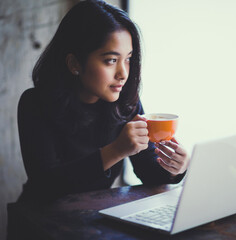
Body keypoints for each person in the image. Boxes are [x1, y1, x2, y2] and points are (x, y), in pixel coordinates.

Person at [17, 0, 189, 203]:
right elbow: (47, 185)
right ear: (74, 63)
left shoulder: (125, 103)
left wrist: (176, 169)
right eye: (111, 60)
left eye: (128, 59)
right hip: (39, 220)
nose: (123, 74)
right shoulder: (35, 104)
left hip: (93, 217)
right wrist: (115, 150)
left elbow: (149, 174)